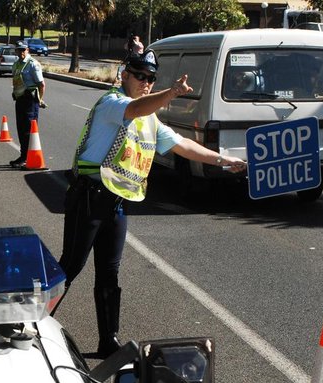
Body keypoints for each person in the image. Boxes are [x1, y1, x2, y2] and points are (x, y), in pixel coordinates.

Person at [58, 50, 247, 358]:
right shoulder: (113, 103)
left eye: (151, 78)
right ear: (124, 75)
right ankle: (32, 325)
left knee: (110, 273)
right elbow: (135, 107)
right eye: (141, 76)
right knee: (71, 266)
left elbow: (183, 144)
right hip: (90, 197)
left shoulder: (150, 120)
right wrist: (171, 92)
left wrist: (223, 160)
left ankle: (109, 340)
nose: (146, 83)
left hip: (118, 203)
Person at [9, 41, 46, 168]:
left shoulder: (32, 64)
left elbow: (41, 84)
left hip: (30, 100)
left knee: (28, 129)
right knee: (21, 128)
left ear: (27, 50)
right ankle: (23, 155)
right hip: (20, 99)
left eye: (23, 50)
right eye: (19, 50)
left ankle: (27, 157)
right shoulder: (17, 64)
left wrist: (40, 99)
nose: (21, 52)